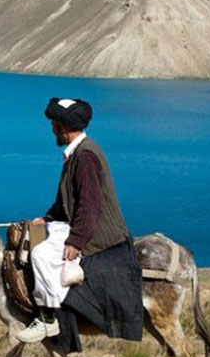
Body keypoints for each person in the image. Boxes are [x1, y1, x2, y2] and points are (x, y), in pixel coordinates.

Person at [16, 97, 133, 343]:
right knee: (36, 240)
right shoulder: (77, 153)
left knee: (40, 254)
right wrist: (47, 218)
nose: (51, 128)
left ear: (62, 126)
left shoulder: (86, 156)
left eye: (54, 123)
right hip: (78, 223)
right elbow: (68, 199)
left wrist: (76, 241)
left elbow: (90, 204)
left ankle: (49, 318)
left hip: (100, 232)